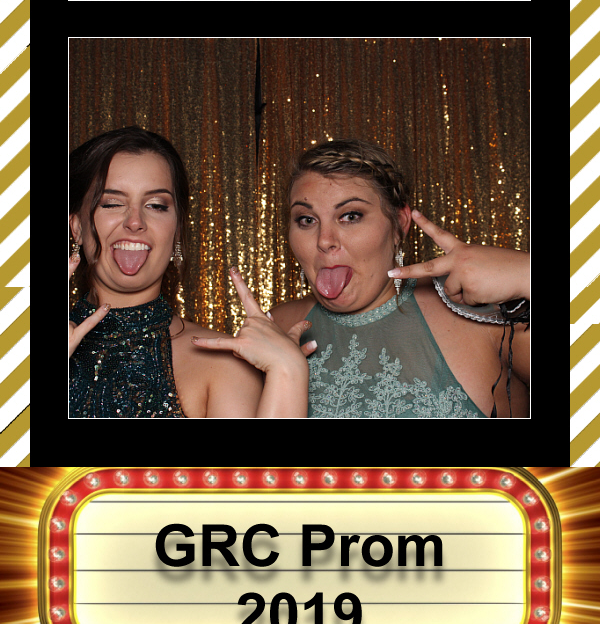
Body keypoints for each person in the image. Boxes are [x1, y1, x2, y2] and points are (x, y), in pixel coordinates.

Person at [193, 140, 529, 420]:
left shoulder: (481, 314)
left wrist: (527, 273)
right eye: (306, 219)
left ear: (399, 225)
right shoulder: (277, 326)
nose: (325, 240)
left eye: (350, 216)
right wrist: (285, 369)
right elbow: (257, 479)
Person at [69, 128, 314, 417]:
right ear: (77, 227)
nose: (135, 222)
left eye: (156, 205)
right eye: (111, 203)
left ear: (177, 230)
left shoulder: (222, 366)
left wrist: (287, 371)